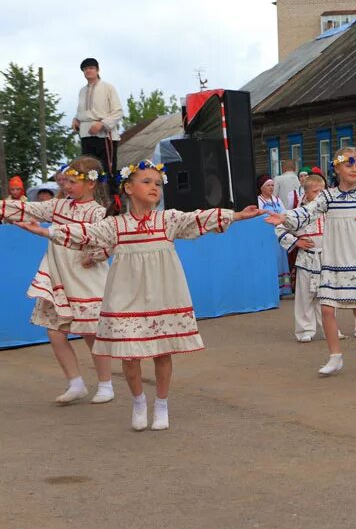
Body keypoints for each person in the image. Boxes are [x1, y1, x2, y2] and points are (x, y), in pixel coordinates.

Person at [18, 160, 263, 430]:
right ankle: (137, 402)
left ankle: (161, 404)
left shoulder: (167, 220)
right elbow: (86, 233)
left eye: (158, 183)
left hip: (162, 293)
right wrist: (46, 231)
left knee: (162, 353)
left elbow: (197, 218)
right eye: (146, 182)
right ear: (128, 188)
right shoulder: (116, 225)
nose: (154, 187)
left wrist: (237, 215)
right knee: (129, 355)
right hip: (127, 295)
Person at [266, 148, 356, 376]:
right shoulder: (327, 197)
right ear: (337, 168)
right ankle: (335, 356)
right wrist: (285, 217)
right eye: (349, 165)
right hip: (333, 259)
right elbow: (307, 213)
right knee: (327, 309)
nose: (354, 170)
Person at [2, 156, 115, 405]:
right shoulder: (58, 207)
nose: (67, 187)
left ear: (91, 184)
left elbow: (108, 241)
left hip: (86, 278)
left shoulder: (98, 212)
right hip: (60, 277)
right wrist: (5, 209)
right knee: (55, 332)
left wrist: (96, 256)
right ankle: (75, 383)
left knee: (91, 333)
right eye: (66, 181)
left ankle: (106, 384)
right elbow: (27, 209)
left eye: (73, 182)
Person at [277, 173, 327, 342]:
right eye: (316, 191)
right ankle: (305, 329)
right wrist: (296, 242)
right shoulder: (298, 213)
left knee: (326, 295)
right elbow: (279, 228)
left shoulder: (329, 212)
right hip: (307, 258)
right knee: (305, 295)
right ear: (306, 193)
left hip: (326, 258)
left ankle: (329, 327)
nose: (320, 195)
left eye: (322, 191)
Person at [72, 58, 123, 178]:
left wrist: (102, 124)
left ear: (97, 70)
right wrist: (76, 119)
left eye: (91, 68)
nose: (88, 71)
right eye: (85, 69)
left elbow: (118, 111)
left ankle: (109, 196)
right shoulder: (82, 91)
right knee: (88, 171)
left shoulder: (108, 87)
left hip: (104, 135)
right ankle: (92, 197)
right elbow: (82, 112)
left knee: (106, 170)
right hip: (86, 134)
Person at [257, 176, 292, 297]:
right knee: (271, 259)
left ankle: (282, 289)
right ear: (261, 188)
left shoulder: (277, 200)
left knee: (281, 259)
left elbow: (284, 213)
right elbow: (260, 216)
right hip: (267, 235)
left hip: (279, 233)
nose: (271, 187)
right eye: (268, 185)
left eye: (272, 185)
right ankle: (272, 288)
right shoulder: (259, 201)